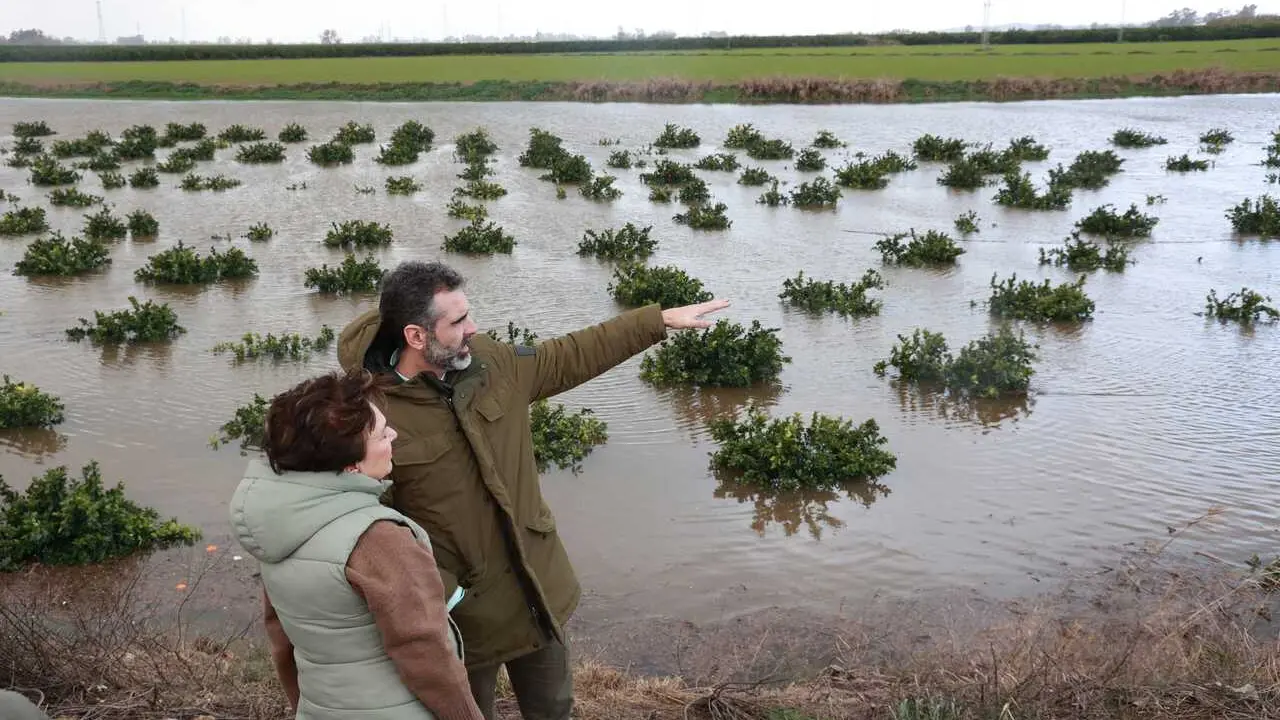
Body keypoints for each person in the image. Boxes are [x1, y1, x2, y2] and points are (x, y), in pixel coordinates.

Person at [337, 261, 729, 720]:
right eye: (458, 322)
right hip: (460, 618)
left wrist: (653, 320)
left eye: (469, 315)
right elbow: (359, 520)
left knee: (554, 709)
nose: (473, 328)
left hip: (534, 590)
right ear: (416, 337)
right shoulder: (370, 412)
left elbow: (568, 356)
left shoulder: (492, 363)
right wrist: (446, 593)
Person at [228, 369, 483, 720]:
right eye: (380, 434)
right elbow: (426, 653)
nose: (393, 434)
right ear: (350, 465)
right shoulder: (379, 538)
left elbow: (282, 642)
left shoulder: (276, 525)